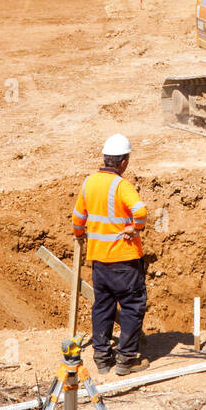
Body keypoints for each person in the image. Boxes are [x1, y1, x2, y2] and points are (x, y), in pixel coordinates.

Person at [71, 134, 149, 377]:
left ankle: (102, 358)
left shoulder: (88, 183)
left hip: (99, 262)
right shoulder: (121, 185)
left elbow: (77, 220)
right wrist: (135, 228)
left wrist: (79, 234)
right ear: (123, 162)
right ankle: (126, 359)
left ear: (105, 158)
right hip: (124, 261)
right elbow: (141, 211)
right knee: (132, 306)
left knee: (102, 306)